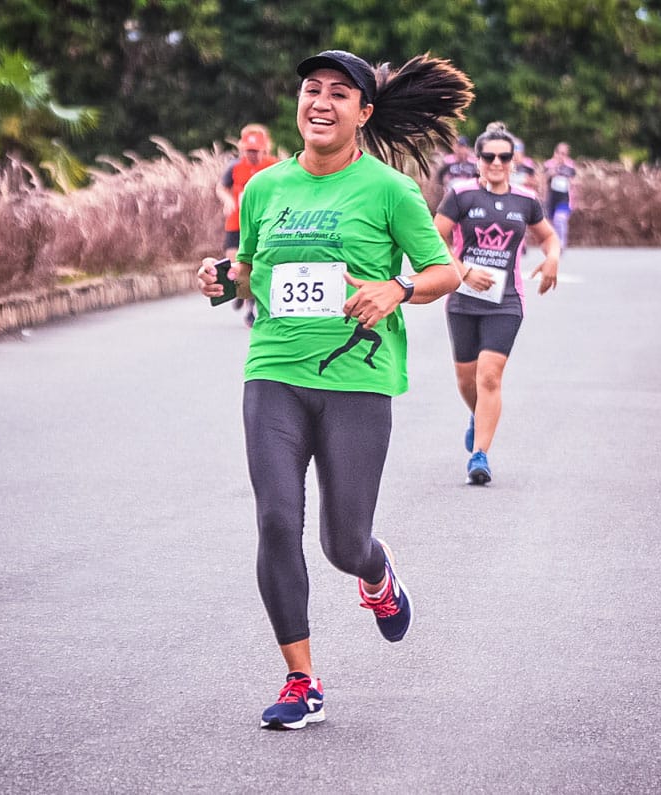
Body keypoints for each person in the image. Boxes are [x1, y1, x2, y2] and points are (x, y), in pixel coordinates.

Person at [196, 49, 472, 730]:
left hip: (357, 379)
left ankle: (376, 575)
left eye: (338, 94)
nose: (320, 102)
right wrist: (218, 279)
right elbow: (249, 265)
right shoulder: (264, 187)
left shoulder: (388, 190)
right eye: (310, 89)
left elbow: (447, 272)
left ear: (363, 113)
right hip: (275, 371)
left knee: (343, 542)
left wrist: (397, 287)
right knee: (273, 518)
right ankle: (302, 679)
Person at [434, 122, 560, 485]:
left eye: (504, 157)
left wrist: (552, 257)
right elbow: (434, 236)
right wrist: (461, 271)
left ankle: (480, 455)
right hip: (463, 297)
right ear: (478, 159)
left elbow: (548, 237)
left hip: (506, 301)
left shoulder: (525, 200)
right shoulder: (461, 195)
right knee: (466, 377)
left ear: (513, 160)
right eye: (489, 156)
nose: (496, 162)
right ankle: (478, 416)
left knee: (489, 375)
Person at [217, 124, 279, 327]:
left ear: (265, 149)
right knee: (234, 261)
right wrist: (228, 199)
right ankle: (239, 292)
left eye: (256, 151)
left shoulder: (274, 166)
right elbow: (221, 187)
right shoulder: (234, 166)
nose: (252, 155)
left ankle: (250, 310)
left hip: (261, 225)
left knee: (253, 266)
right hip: (236, 222)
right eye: (248, 151)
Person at [542, 141, 577, 250]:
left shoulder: (570, 166)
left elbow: (574, 180)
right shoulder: (548, 164)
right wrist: (551, 173)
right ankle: (552, 243)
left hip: (564, 199)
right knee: (550, 224)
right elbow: (542, 179)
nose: (561, 156)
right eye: (559, 153)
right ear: (555, 153)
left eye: (564, 154)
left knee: (560, 219)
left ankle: (561, 244)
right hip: (551, 198)